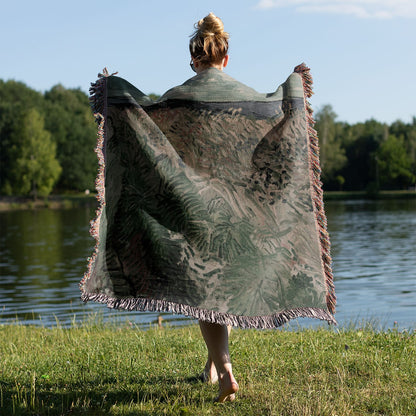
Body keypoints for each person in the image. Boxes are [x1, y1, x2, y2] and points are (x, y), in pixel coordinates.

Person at [188, 12, 239, 403]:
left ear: (194, 60)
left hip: (196, 208)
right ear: (225, 58)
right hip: (238, 209)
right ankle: (210, 366)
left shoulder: (179, 96)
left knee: (205, 296)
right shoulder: (245, 95)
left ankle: (225, 372)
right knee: (221, 290)